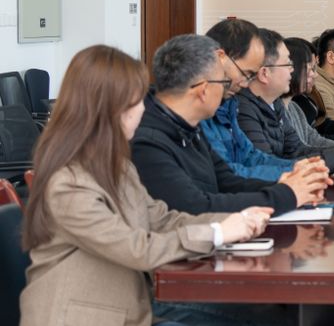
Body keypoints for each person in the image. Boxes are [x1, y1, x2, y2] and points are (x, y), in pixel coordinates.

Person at [19, 45, 271, 326]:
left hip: (126, 310)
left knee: (260, 312)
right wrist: (217, 233)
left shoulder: (116, 165)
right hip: (82, 318)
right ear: (113, 108)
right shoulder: (68, 184)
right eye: (138, 100)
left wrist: (236, 221)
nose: (144, 108)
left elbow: (161, 219)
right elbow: (137, 248)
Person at [132, 33, 329, 214]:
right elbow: (195, 206)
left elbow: (226, 180)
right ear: (203, 90)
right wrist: (286, 195)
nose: (236, 88)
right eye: (224, 83)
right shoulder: (148, 142)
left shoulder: (190, 127)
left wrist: (285, 183)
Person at [237, 28, 334, 174]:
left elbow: (299, 149)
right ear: (264, 73)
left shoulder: (276, 106)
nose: (292, 70)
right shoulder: (243, 109)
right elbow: (267, 166)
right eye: (288, 65)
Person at [200, 18, 296, 180]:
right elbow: (226, 176)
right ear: (221, 57)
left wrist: (301, 169)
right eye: (246, 73)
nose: (245, 84)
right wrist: (293, 175)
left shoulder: (228, 105)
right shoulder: (201, 113)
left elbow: (251, 157)